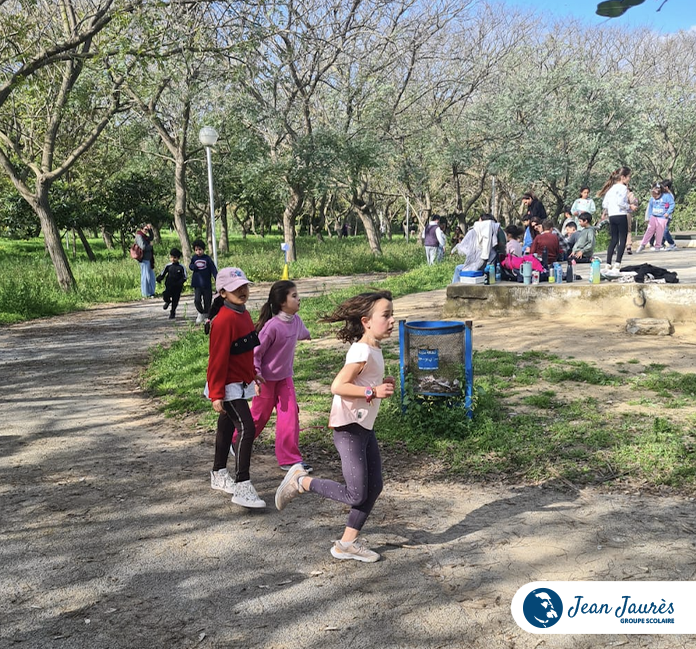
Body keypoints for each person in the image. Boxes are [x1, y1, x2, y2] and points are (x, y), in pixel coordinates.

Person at [274, 291, 396, 563]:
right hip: (349, 428)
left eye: (392, 315)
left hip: (364, 426)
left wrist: (379, 385)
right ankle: (300, 481)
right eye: (386, 315)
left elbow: (363, 383)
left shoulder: (373, 348)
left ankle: (346, 544)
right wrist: (372, 392)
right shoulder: (362, 350)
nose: (392, 321)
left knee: (374, 485)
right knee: (356, 493)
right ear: (366, 321)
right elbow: (338, 386)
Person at [233, 281, 312, 472]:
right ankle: (235, 440)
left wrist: (308, 335)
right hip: (265, 380)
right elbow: (256, 353)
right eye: (294, 296)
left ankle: (289, 459)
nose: (298, 299)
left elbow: (301, 333)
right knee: (259, 416)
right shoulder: (272, 326)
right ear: (282, 302)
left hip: (285, 378)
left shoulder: (296, 320)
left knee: (290, 415)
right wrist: (256, 375)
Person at [206, 267, 266, 509]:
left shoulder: (244, 314)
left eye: (244, 286)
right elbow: (217, 360)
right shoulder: (223, 321)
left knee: (227, 425)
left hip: (240, 382)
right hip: (226, 385)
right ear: (222, 293)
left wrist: (252, 374)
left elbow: (244, 351)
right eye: (235, 288)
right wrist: (216, 394)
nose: (242, 291)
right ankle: (242, 485)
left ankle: (219, 473)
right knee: (246, 427)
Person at [598, 166, 632, 271]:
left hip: (612, 216)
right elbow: (620, 202)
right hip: (621, 214)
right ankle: (617, 263)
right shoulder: (623, 188)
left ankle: (608, 263)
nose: (629, 179)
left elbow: (605, 204)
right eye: (628, 177)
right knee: (622, 239)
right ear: (623, 177)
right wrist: (629, 206)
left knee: (614, 239)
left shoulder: (611, 189)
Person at [635, 185, 672, 254]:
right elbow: (650, 206)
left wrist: (668, 212)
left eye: (656, 196)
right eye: (653, 196)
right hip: (653, 216)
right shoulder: (652, 198)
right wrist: (649, 216)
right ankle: (642, 244)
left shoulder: (666, 196)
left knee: (659, 232)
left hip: (662, 217)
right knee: (649, 230)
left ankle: (658, 246)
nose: (654, 198)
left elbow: (672, 204)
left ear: (659, 194)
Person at [189, 239, 218, 325]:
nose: (198, 251)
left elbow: (213, 269)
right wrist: (193, 267)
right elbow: (190, 265)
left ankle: (206, 315)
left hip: (206, 284)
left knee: (207, 300)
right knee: (197, 300)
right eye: (196, 250)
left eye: (200, 249)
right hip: (197, 284)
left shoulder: (207, 258)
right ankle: (200, 313)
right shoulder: (194, 258)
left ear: (203, 249)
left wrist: (217, 278)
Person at [156, 248, 187, 319]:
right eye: (171, 257)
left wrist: (180, 282)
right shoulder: (168, 266)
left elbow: (185, 277)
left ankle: (172, 312)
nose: (173, 259)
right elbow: (163, 273)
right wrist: (159, 278)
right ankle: (167, 301)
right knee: (165, 295)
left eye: (175, 257)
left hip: (178, 287)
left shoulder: (181, 267)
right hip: (169, 285)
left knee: (175, 300)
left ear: (178, 258)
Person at [134, 224, 156, 298]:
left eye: (147, 229)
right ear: (141, 229)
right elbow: (143, 247)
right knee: (145, 277)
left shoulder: (145, 236)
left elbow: (151, 237)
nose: (146, 231)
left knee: (151, 277)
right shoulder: (139, 236)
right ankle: (145, 293)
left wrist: (150, 230)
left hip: (149, 259)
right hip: (144, 259)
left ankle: (152, 292)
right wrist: (150, 246)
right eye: (145, 229)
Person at [659, 179, 677, 251]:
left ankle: (672, 244)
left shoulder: (670, 196)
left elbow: (670, 206)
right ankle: (661, 244)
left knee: (664, 230)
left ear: (666, 187)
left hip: (666, 216)